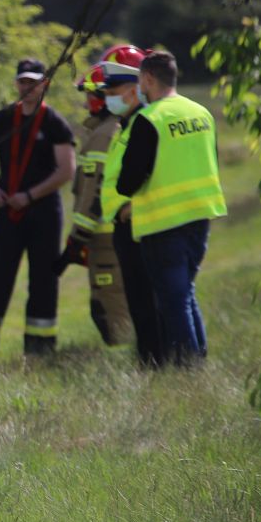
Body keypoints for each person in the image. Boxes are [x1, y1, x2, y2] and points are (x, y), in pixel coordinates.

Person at [0, 59, 76, 368]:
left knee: (43, 280)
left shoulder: (55, 123)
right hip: (8, 211)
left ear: (45, 84)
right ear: (16, 83)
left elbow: (66, 170)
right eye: (22, 81)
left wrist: (31, 195)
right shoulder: (3, 118)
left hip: (44, 211)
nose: (28, 87)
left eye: (34, 82)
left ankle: (40, 352)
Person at [112, 50, 227, 364]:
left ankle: (188, 368)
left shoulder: (150, 119)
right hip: (200, 216)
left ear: (148, 78)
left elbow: (128, 182)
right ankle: (198, 360)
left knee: (172, 302)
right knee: (185, 294)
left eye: (140, 81)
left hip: (164, 222)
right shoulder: (202, 113)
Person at [98, 45, 165, 367]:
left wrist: (133, 208)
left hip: (141, 224)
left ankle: (157, 362)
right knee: (137, 300)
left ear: (137, 87)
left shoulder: (145, 122)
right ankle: (148, 360)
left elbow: (158, 173)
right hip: (124, 226)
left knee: (148, 300)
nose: (108, 96)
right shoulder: (125, 124)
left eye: (114, 89)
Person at [58, 64, 132, 346]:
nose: (87, 101)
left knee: (111, 301)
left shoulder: (104, 134)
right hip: (108, 235)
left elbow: (94, 191)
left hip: (105, 238)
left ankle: (128, 360)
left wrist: (78, 238)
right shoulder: (109, 129)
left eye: (92, 94)